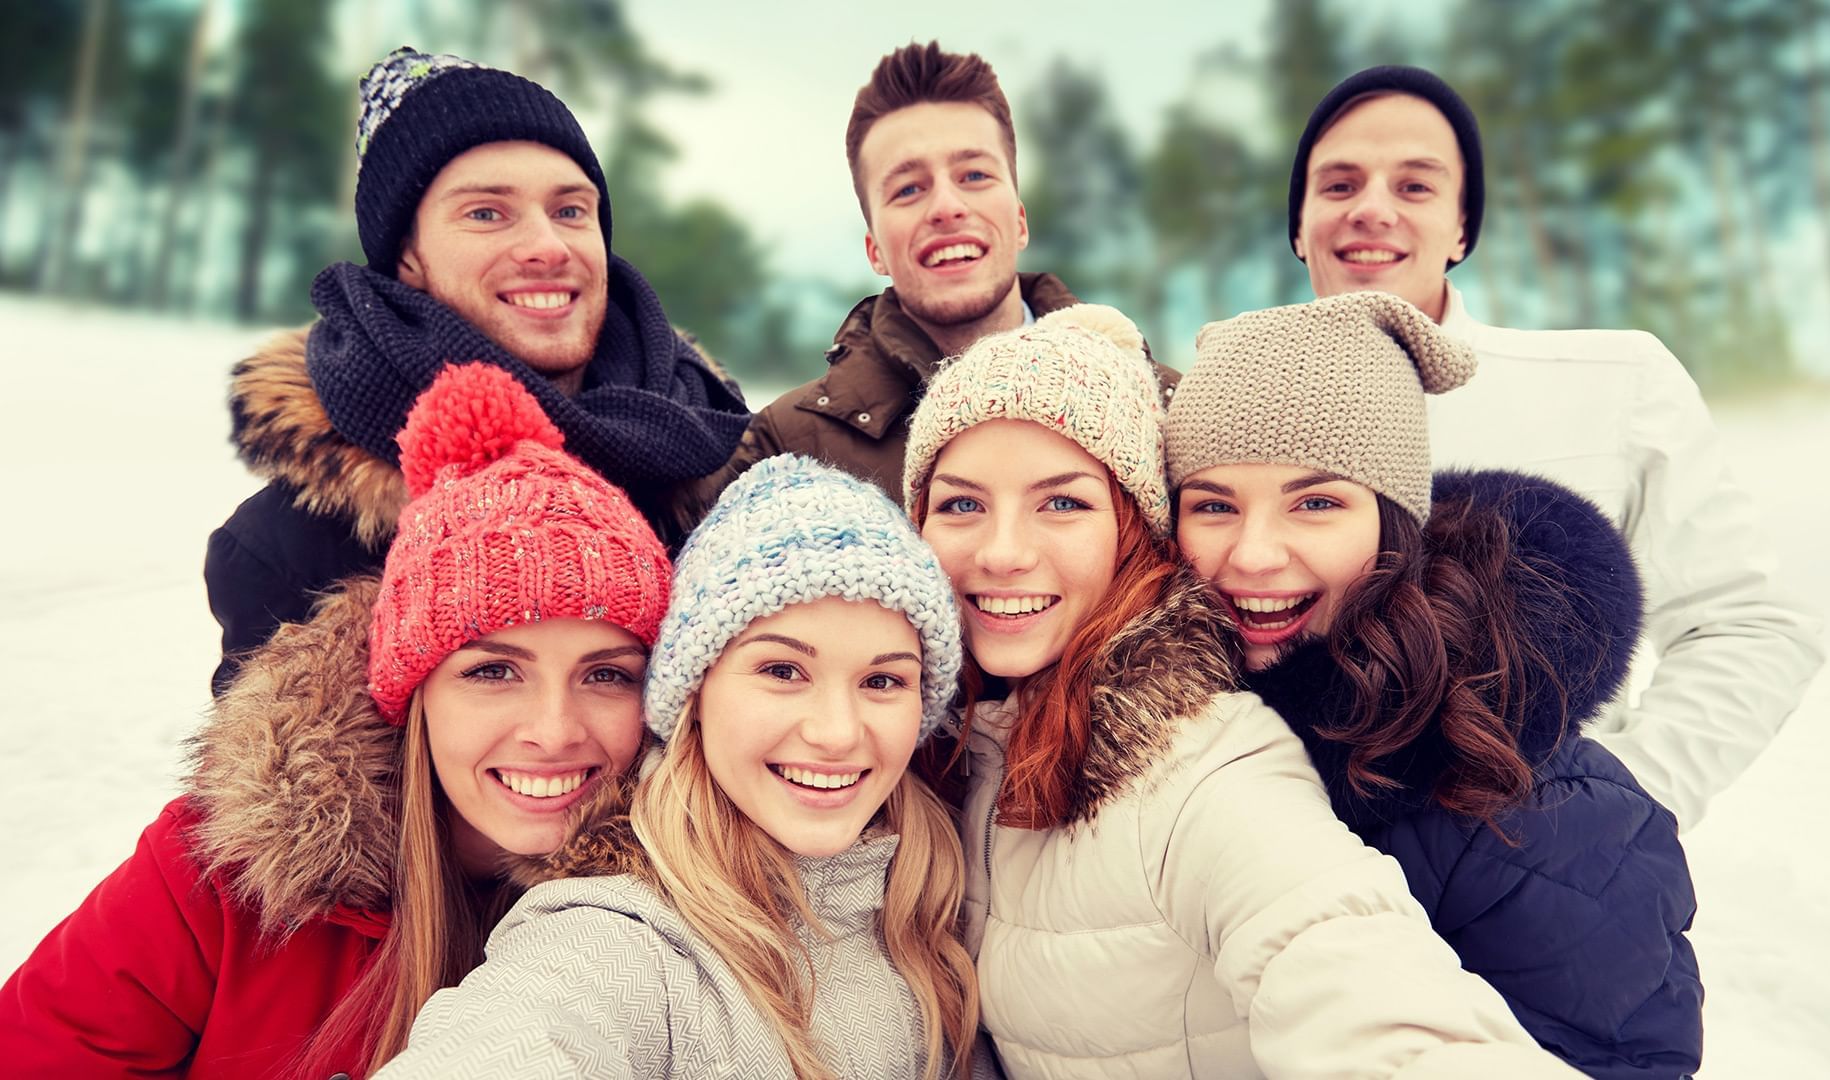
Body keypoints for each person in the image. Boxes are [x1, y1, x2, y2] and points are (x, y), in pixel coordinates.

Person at [902, 304, 1576, 1077]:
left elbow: (1358, 982)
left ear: (1135, 532)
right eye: (960, 503)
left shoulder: (1202, 763)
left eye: (1063, 502)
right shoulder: (933, 737)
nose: (1003, 551)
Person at [0, 363, 674, 1077]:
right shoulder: (218, 880)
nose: (555, 729)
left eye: (607, 675)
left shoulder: (687, 911)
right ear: (411, 694)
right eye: (493, 672)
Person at [1166, 290, 1704, 1077]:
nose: (1251, 555)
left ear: (1396, 525)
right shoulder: (1162, 726)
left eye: (1316, 502)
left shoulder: (1549, 814)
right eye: (1213, 504)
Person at [1286, 64, 1823, 828]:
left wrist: (1617, 809)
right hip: (1285, 889)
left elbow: (1748, 624)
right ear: (1298, 226)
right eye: (1339, 186)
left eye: (1415, 187)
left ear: (1463, 228)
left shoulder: (1613, 383)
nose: (1371, 209)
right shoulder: (1211, 418)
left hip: (1540, 908)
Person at [375, 455, 980, 1079]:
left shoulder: (949, 898)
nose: (836, 733)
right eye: (781, 671)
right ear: (693, 695)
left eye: (883, 680)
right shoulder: (626, 938)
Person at [206, 45, 749, 694]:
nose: (548, 246)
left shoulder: (723, 465)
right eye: (486, 213)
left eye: (571, 210)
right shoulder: (294, 545)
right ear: (406, 256)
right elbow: (288, 785)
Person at [685, 41, 1176, 516]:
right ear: (875, 249)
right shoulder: (789, 444)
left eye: (975, 176)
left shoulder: (1168, 409)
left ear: (1020, 220)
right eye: (909, 188)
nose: (946, 207)